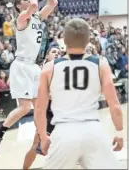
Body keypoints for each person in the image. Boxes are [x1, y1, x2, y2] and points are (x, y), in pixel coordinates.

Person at [35, 18, 123, 169]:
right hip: (93, 130)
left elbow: (39, 109)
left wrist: (43, 137)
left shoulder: (49, 68)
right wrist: (120, 133)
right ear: (88, 40)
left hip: (63, 132)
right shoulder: (101, 65)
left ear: (64, 40)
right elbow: (114, 105)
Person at [0, 0, 58, 157]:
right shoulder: (21, 18)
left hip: (35, 67)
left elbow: (53, 2)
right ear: (19, 6)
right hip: (22, 66)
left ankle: (41, 141)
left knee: (40, 107)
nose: (29, 1)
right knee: (26, 108)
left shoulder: (37, 17)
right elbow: (34, 5)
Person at [23, 46, 60, 169]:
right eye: (54, 52)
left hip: (60, 114)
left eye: (59, 52)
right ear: (47, 55)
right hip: (46, 114)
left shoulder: (62, 70)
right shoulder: (41, 71)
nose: (57, 54)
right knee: (36, 146)